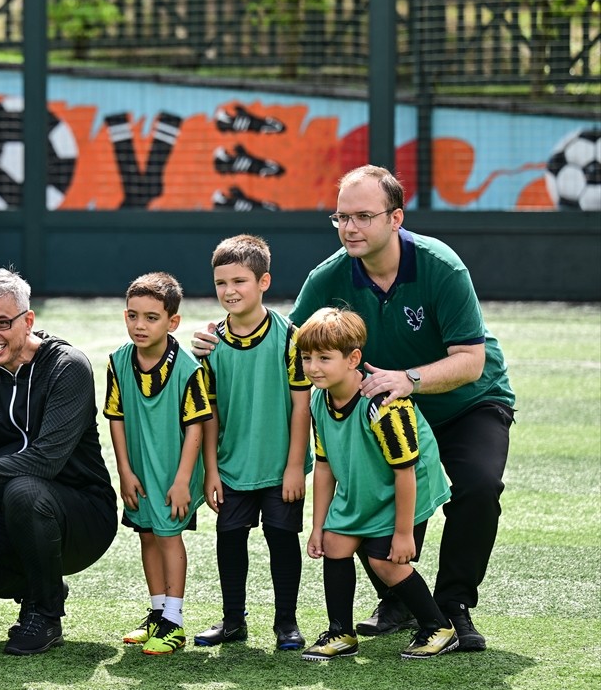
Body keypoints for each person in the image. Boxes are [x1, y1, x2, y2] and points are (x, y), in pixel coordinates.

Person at [192, 165, 515, 651]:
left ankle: (452, 607)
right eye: (342, 217)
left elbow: (471, 361)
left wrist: (408, 379)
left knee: (478, 487)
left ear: (396, 218)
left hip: (466, 402)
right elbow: (289, 343)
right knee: (364, 493)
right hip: (381, 407)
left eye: (363, 216)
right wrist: (217, 334)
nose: (350, 228)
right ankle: (398, 599)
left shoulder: (440, 266)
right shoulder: (329, 275)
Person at [0, 269, 118, 656]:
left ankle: (45, 614)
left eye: (2, 323)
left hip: (81, 515)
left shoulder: (67, 366)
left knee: (24, 489)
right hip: (4, 510)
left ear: (28, 320)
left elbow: (45, 459)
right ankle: (42, 582)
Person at [295, 308, 456, 661]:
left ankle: (438, 627)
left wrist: (403, 534)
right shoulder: (319, 399)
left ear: (353, 359)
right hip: (365, 484)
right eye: (307, 358)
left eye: (324, 358)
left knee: (384, 562)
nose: (313, 367)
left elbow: (406, 472)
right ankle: (341, 632)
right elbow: (323, 466)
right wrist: (318, 527)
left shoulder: (383, 405)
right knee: (335, 543)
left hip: (407, 485)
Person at [194, 235, 312, 652]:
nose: (229, 291)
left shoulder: (290, 338)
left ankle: (287, 623)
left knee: (282, 539)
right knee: (229, 540)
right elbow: (207, 414)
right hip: (231, 466)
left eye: (239, 281)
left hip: (281, 467)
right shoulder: (208, 345)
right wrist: (210, 469)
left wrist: (295, 466)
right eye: (221, 282)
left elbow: (302, 407)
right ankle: (232, 621)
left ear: (264, 281)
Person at [105, 272, 215, 656]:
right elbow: (115, 418)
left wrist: (184, 479)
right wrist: (124, 470)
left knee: (168, 536)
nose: (140, 324)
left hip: (172, 470)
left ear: (173, 322)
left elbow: (196, 427)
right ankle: (156, 612)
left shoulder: (187, 369)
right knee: (146, 534)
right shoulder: (118, 361)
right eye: (133, 315)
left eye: (151, 317)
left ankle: (175, 620)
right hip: (138, 467)